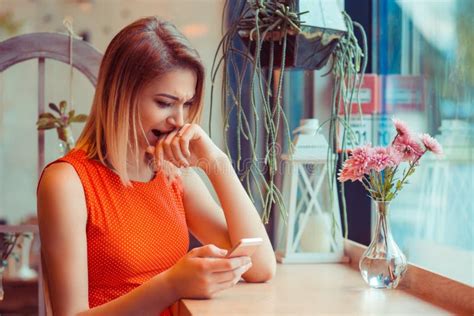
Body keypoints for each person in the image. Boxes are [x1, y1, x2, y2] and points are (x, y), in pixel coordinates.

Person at [37, 16, 276, 316]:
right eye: (165, 103)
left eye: (187, 104)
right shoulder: (67, 182)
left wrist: (216, 162)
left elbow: (261, 267)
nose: (180, 120)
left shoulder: (174, 175)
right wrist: (172, 285)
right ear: (120, 95)